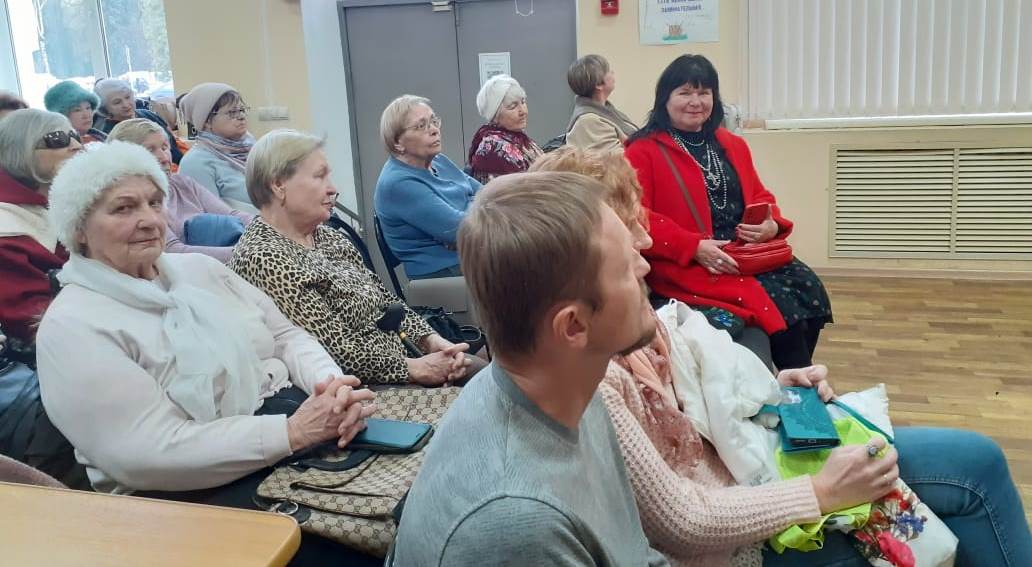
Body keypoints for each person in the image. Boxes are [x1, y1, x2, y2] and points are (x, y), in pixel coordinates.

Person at [534, 148, 1032, 566]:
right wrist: (820, 492)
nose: (646, 246)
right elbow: (684, 522)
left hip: (762, 466)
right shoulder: (595, 379)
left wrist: (774, 391)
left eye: (639, 223)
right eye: (627, 235)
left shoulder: (634, 328)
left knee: (976, 463)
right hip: (747, 524)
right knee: (969, 479)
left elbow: (707, 396)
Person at [35, 140, 376, 499]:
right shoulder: (72, 326)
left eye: (154, 203)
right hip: (189, 496)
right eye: (123, 208)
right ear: (78, 229)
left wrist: (333, 390)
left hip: (293, 427)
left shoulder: (200, 270)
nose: (150, 220)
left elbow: (288, 337)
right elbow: (146, 452)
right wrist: (291, 433)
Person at [392, 171, 669, 566]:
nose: (644, 265)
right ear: (573, 326)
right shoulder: (516, 526)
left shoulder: (566, 387)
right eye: (625, 267)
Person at [625, 54, 832, 370]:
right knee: (777, 305)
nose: (696, 101)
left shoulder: (732, 144)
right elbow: (635, 213)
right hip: (689, 262)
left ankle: (795, 380)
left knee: (809, 288)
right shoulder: (641, 149)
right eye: (685, 92)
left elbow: (761, 196)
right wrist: (693, 246)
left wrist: (770, 225)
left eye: (704, 92)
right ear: (664, 99)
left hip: (747, 253)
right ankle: (798, 387)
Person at [231, 129, 483, 386]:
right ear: (278, 185)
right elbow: (334, 351)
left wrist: (431, 341)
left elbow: (386, 301)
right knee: (489, 389)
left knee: (491, 375)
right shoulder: (264, 258)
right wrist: (414, 368)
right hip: (362, 386)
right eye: (320, 176)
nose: (332, 189)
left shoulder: (328, 237)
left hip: (404, 355)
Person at [107, 118, 253, 263]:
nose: (164, 158)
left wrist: (270, 229)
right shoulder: (137, 202)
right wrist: (251, 255)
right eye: (149, 150)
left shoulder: (182, 183)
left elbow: (232, 214)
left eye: (165, 147)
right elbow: (174, 250)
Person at [374, 95, 481, 280]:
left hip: (468, 257)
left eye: (433, 121)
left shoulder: (439, 161)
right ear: (397, 143)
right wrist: (463, 224)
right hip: (443, 272)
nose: (433, 130)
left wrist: (464, 217)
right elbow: (461, 230)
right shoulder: (398, 183)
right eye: (421, 126)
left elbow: (485, 193)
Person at [0, 109, 82, 343]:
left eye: (75, 135)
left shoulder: (67, 200)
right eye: (58, 139)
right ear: (20, 151)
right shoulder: (7, 229)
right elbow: (31, 321)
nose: (77, 145)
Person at [177, 82, 257, 212]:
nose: (241, 116)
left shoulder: (251, 146)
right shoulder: (195, 163)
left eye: (242, 110)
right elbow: (214, 219)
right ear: (207, 121)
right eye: (232, 112)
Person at [466, 74, 541, 183]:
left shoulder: (516, 137)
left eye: (523, 102)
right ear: (495, 115)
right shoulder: (494, 147)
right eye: (513, 106)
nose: (523, 111)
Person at [92, 78, 183, 163]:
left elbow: (173, 145)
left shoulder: (149, 115)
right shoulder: (108, 133)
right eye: (117, 102)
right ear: (104, 108)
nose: (126, 104)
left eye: (127, 97)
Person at [565, 54, 639, 152]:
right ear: (599, 84)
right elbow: (615, 162)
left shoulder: (604, 111)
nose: (612, 72)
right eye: (608, 71)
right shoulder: (588, 121)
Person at [43, 80, 108, 144]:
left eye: (88, 108)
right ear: (62, 116)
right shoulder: (61, 146)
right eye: (77, 110)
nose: (87, 115)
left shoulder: (100, 136)